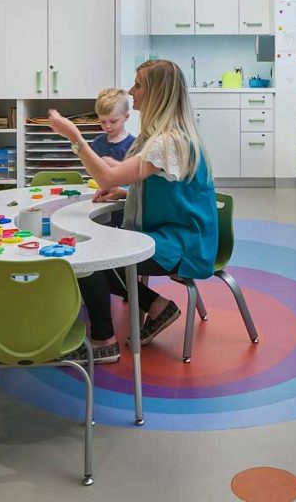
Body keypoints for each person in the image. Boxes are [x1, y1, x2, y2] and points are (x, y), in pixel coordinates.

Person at [47, 59, 218, 366]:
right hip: (176, 231)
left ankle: (104, 341)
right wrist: (127, 192)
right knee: (97, 247)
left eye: (138, 84)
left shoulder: (168, 141)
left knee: (90, 256)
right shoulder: (169, 136)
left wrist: (75, 137)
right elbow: (169, 188)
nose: (131, 90)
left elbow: (107, 177)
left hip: (183, 243)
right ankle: (157, 306)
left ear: (156, 92)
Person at [87, 87, 135, 162]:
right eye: (103, 122)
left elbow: (136, 172)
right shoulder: (97, 143)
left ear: (126, 117)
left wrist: (117, 166)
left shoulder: (133, 145)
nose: (107, 126)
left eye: (113, 121)